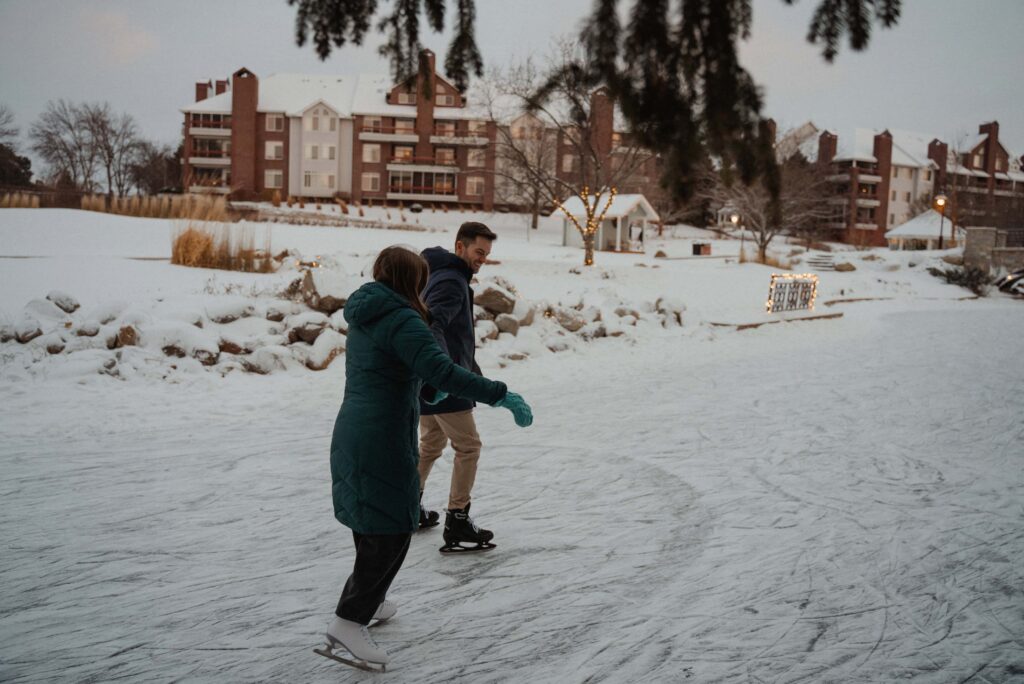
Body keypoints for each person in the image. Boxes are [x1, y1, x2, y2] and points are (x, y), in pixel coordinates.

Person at [323, 246, 533, 670]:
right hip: (382, 435)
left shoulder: (368, 315)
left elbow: (387, 367)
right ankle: (349, 620)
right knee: (395, 526)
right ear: (414, 280)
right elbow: (444, 371)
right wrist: (500, 394)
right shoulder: (402, 318)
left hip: (353, 430)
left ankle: (372, 598)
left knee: (371, 518)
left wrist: (422, 387)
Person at [417, 222, 505, 552]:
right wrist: (445, 373)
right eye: (478, 252)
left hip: (435, 379)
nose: (482, 259)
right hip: (445, 383)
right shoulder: (453, 282)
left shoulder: (437, 274)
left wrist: (474, 376)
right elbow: (434, 326)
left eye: (487, 254)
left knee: (430, 445)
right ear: (460, 248)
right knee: (469, 447)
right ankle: (457, 519)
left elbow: (452, 334)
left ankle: (407, 506)